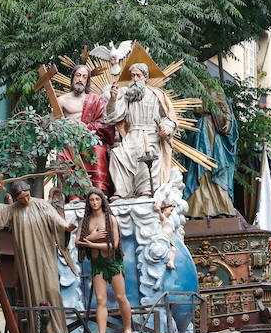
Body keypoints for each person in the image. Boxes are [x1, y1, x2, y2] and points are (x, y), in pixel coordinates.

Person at [0, 179, 77, 333]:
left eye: (27, 196)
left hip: (46, 256)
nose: (25, 200)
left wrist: (66, 227)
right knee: (33, 294)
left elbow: (56, 219)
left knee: (52, 291)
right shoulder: (13, 210)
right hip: (27, 260)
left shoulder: (42, 205)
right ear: (16, 199)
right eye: (21, 198)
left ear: (29, 192)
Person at [103, 62, 178, 199]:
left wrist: (167, 128)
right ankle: (122, 191)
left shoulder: (157, 95)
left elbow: (168, 117)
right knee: (117, 154)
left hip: (151, 135)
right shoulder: (127, 95)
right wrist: (113, 100)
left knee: (146, 153)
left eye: (138, 75)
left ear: (146, 77)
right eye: (133, 76)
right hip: (132, 134)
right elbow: (114, 116)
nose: (135, 79)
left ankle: (146, 190)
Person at [76, 190, 133, 333]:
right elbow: (78, 241)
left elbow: (114, 245)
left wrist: (92, 244)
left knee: (121, 297)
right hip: (97, 264)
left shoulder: (110, 219)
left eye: (97, 199)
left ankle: (128, 329)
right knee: (100, 299)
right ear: (88, 202)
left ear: (102, 200)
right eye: (91, 200)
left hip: (113, 262)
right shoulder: (85, 221)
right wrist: (91, 237)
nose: (94, 202)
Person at [57, 64, 114, 196]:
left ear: (87, 81)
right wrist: (66, 125)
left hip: (90, 139)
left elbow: (104, 122)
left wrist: (87, 127)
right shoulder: (61, 100)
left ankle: (99, 193)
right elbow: (54, 123)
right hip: (69, 140)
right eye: (78, 75)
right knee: (63, 155)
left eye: (84, 77)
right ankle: (73, 196)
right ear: (72, 78)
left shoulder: (95, 100)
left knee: (98, 151)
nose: (80, 79)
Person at [182, 89, 237, 218]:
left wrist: (227, 122)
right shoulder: (192, 89)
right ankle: (198, 207)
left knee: (214, 162)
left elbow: (225, 108)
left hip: (212, 128)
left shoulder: (214, 89)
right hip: (199, 129)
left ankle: (221, 206)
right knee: (198, 165)